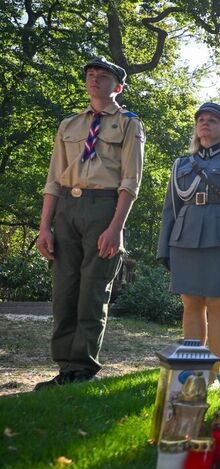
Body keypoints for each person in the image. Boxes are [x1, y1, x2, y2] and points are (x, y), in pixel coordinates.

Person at [34, 57, 145, 390]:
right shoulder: (69, 125)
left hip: (103, 208)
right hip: (67, 207)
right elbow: (54, 179)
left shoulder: (128, 124)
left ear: (118, 86)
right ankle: (64, 367)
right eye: (91, 75)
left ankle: (82, 367)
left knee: (92, 291)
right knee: (64, 291)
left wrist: (116, 227)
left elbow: (130, 181)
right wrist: (44, 227)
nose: (95, 80)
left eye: (103, 76)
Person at [157, 103, 220, 362]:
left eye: (212, 120)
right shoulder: (181, 163)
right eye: (201, 119)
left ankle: (212, 368)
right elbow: (171, 208)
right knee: (190, 302)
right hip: (184, 237)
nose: (205, 123)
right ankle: (193, 364)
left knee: (219, 303)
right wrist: (163, 247)